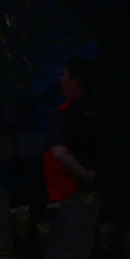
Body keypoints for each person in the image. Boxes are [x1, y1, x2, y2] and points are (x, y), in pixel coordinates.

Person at [41, 57, 98, 205]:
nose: (60, 80)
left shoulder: (65, 113)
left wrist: (88, 177)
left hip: (69, 199)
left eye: (63, 76)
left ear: (75, 82)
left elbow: (59, 154)